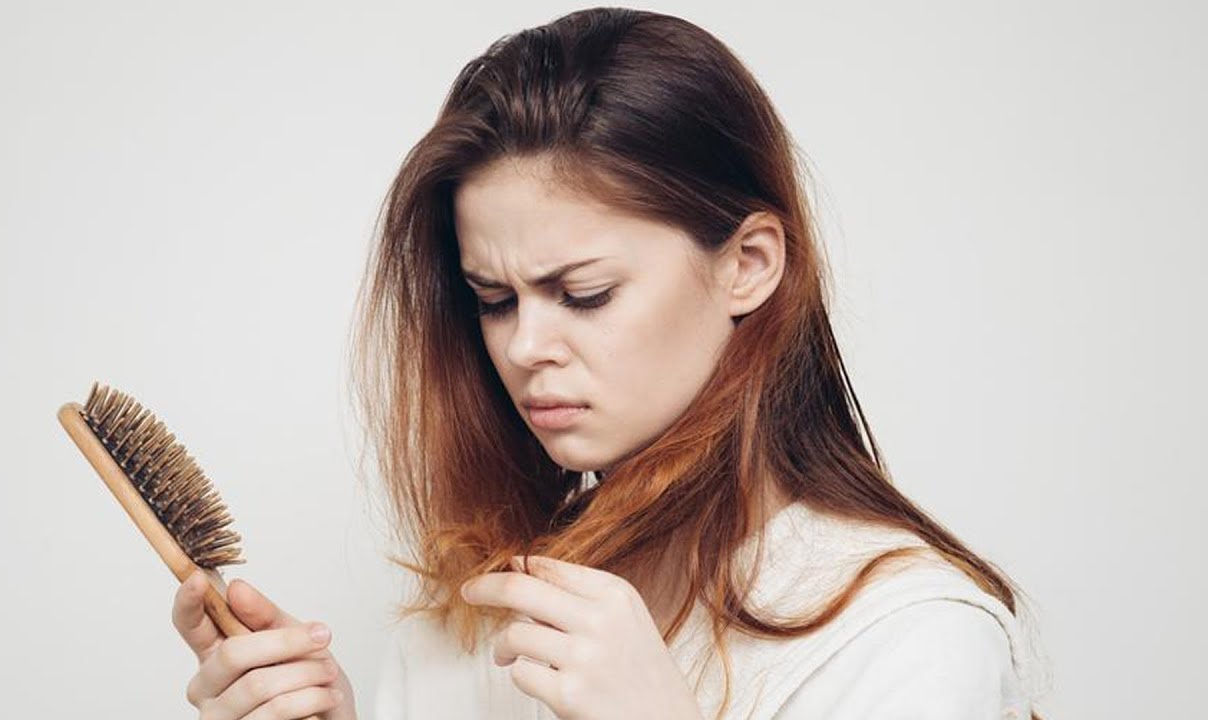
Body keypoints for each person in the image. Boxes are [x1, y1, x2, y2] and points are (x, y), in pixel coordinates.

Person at [170, 7, 1048, 720]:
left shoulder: (905, 634)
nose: (524, 347)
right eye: (493, 300)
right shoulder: (474, 621)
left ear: (749, 265)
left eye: (584, 294)